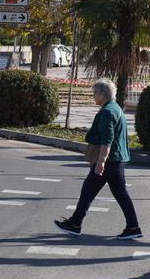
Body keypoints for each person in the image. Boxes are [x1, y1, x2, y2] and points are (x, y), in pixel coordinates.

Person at [54, 78, 142, 239]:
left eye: (95, 93)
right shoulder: (116, 108)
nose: (93, 96)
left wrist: (100, 162)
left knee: (88, 191)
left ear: (102, 94)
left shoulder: (107, 112)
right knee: (121, 194)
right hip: (119, 158)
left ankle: (75, 224)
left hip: (109, 160)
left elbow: (107, 139)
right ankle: (133, 227)